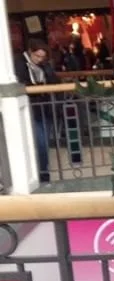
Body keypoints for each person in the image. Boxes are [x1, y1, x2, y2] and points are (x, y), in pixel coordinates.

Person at [14, 39, 59, 183]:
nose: (39, 59)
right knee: (40, 143)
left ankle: (42, 173)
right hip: (29, 108)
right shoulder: (19, 63)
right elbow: (21, 83)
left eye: (42, 57)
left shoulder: (44, 65)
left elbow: (54, 81)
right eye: (37, 56)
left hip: (44, 107)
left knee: (43, 142)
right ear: (30, 52)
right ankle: (42, 174)